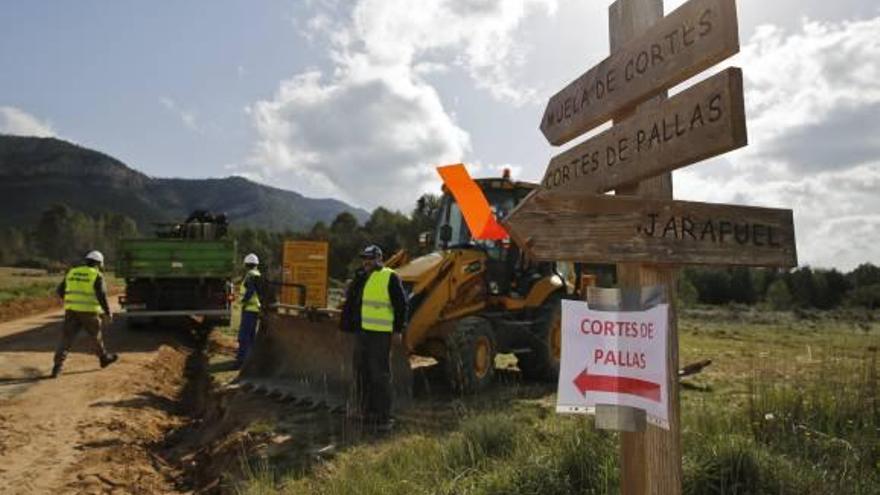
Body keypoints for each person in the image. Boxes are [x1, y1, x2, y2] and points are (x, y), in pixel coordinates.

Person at [340, 244, 408, 432]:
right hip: (362, 333)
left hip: (380, 335)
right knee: (361, 372)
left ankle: (383, 416)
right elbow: (353, 302)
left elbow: (401, 305)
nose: (366, 262)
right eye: (364, 258)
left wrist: (397, 330)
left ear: (379, 259)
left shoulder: (390, 276)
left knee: (380, 375)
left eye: (370, 258)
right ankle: (364, 410)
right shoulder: (361, 277)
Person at [52, 250, 118, 378]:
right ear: (99, 263)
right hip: (89, 312)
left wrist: (71, 301)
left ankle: (57, 367)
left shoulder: (72, 272)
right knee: (95, 337)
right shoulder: (96, 275)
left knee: (66, 339)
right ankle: (103, 359)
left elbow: (60, 290)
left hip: (71, 311)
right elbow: (102, 295)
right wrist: (107, 312)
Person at [235, 253, 263, 369]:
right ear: (256, 264)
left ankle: (241, 361)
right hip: (256, 309)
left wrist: (243, 302)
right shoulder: (258, 274)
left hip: (249, 309)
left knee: (244, 336)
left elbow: (250, 291)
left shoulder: (250, 276)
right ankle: (250, 361)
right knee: (251, 336)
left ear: (246, 264)